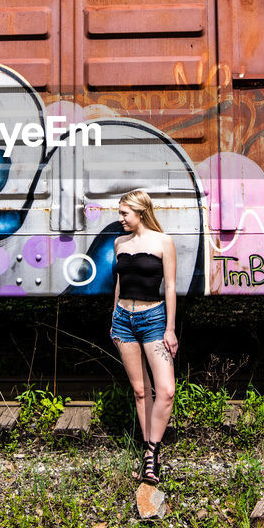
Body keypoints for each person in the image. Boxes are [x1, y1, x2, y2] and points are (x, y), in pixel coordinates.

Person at [109, 189, 178, 485]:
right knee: (140, 390)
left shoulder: (164, 242)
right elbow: (119, 284)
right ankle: (149, 457)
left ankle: (153, 449)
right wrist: (113, 321)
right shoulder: (119, 243)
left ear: (140, 212)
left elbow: (171, 287)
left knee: (165, 390)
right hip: (123, 321)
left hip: (153, 320)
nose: (120, 219)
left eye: (125, 213)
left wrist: (170, 328)